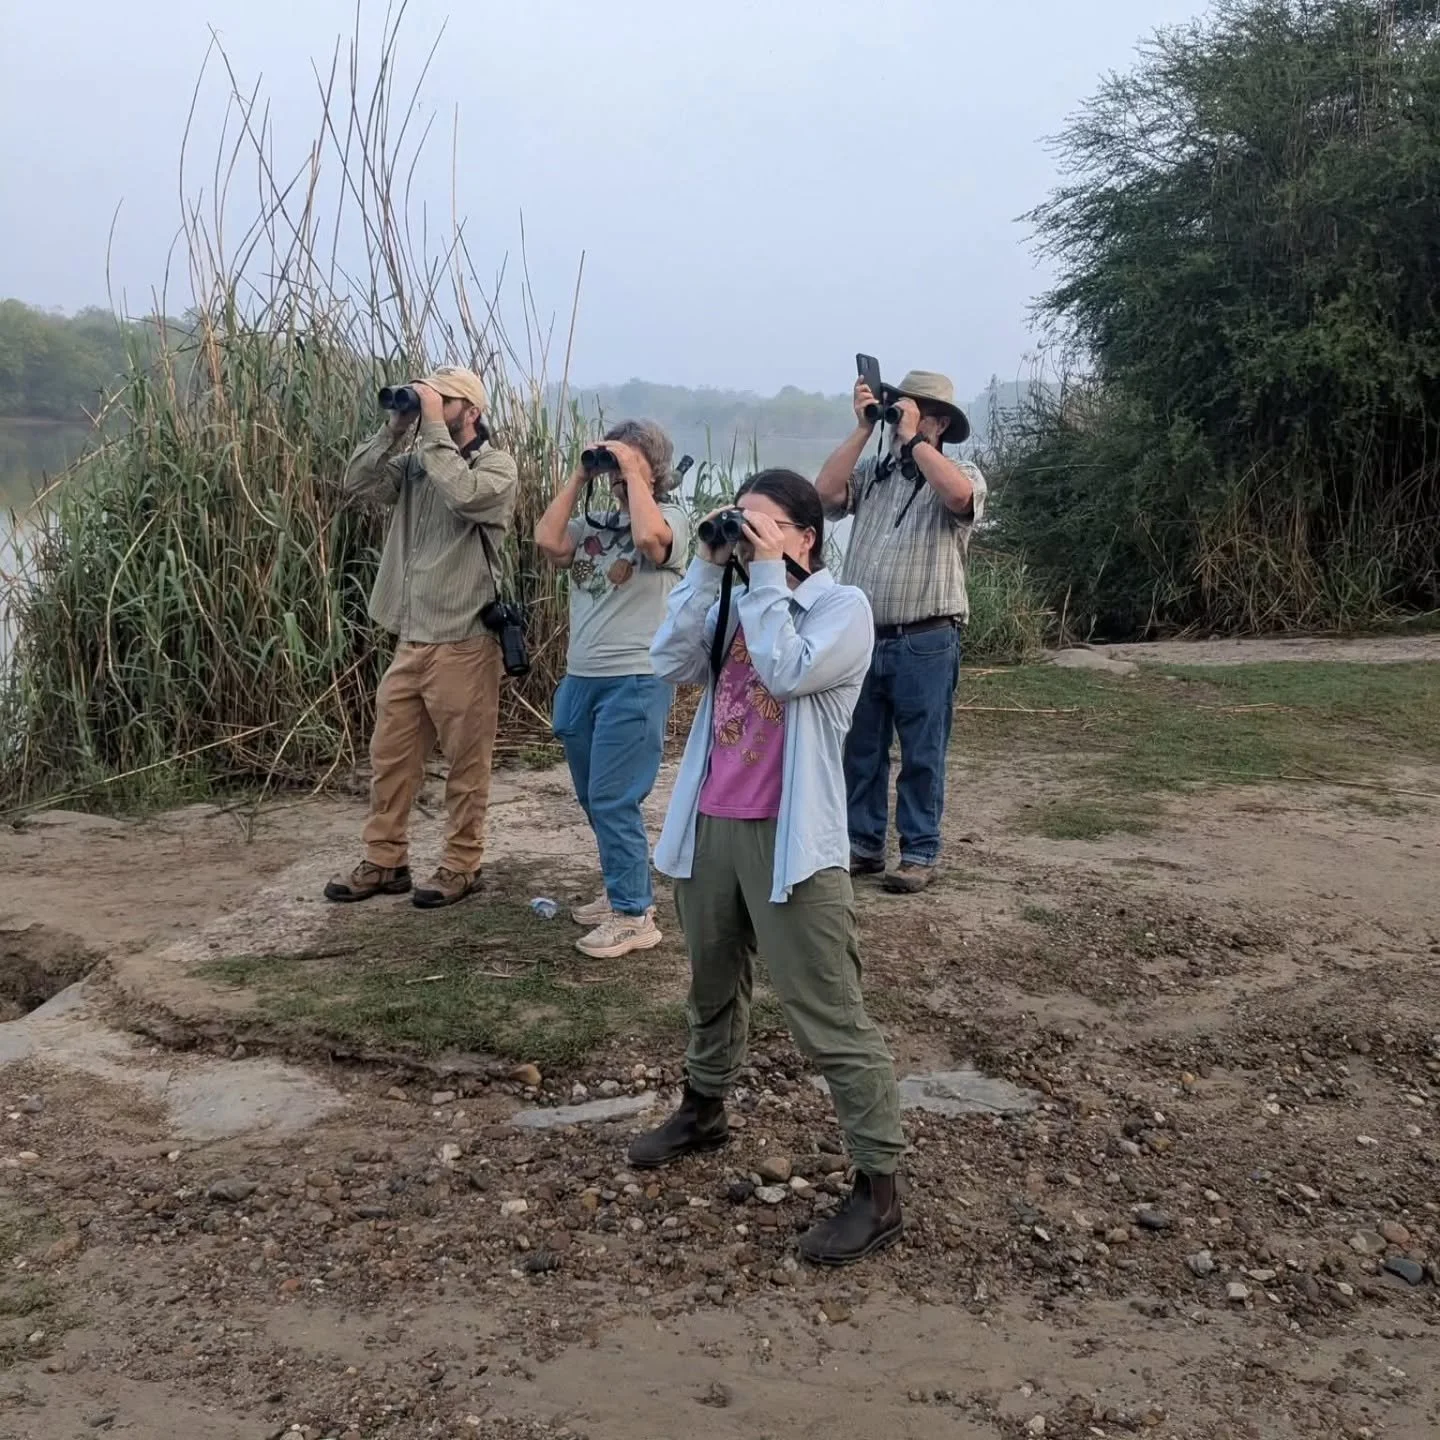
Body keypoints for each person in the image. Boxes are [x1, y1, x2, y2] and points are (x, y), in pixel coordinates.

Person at [631, 468, 906, 1266]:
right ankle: (702, 1109)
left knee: (827, 1011)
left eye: (760, 524)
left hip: (794, 842)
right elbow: (670, 661)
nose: (743, 534)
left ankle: (879, 1187)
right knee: (711, 984)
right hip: (714, 824)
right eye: (735, 521)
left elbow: (785, 673)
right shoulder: (733, 594)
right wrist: (709, 569)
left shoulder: (842, 609)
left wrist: (759, 576)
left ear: (805, 538)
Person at [325, 366, 518, 910]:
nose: (432, 404)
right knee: (390, 756)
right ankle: (385, 860)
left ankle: (462, 865)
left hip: (464, 637)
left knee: (466, 762)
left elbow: (463, 495)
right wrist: (394, 428)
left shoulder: (495, 467)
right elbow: (356, 481)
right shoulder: (414, 464)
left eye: (444, 399)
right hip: (411, 636)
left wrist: (430, 428)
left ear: (472, 411)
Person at [815, 369, 987, 895]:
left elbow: (959, 498)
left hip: (928, 638)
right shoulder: (873, 473)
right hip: (866, 636)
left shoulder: (963, 470)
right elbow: (823, 495)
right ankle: (863, 845)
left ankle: (918, 851)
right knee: (860, 749)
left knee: (922, 750)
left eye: (911, 411)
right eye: (898, 409)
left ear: (937, 421)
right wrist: (866, 427)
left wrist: (914, 442)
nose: (899, 419)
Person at [533, 420, 689, 959]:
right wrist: (581, 474)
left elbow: (650, 540)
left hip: (636, 677)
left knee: (614, 797)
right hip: (582, 678)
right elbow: (547, 540)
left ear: (656, 468)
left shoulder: (673, 518)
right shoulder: (590, 525)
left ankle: (633, 915)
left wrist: (635, 473)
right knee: (592, 796)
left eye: (630, 459)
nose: (618, 469)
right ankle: (621, 889)